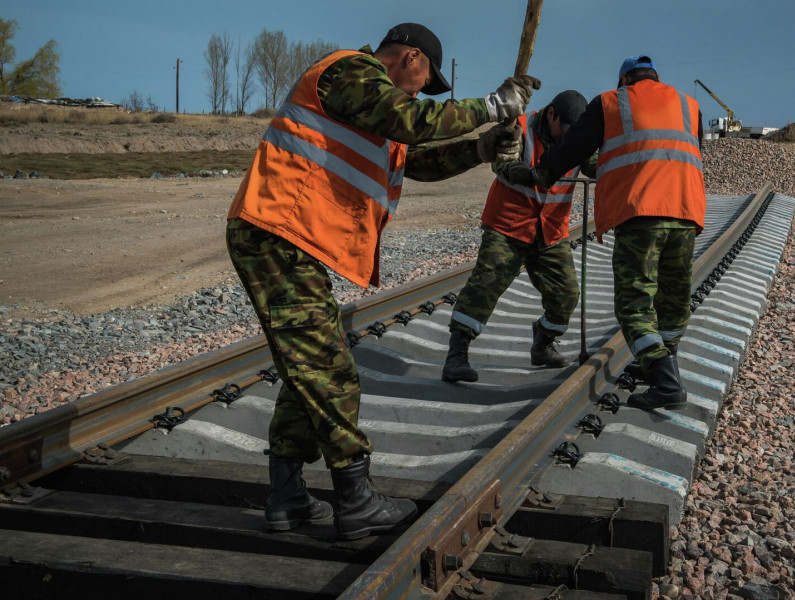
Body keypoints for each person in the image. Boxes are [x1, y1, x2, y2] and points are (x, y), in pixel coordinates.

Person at [225, 22, 540, 540]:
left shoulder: (376, 108)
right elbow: (410, 120)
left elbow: (414, 158)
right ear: (411, 58)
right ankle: (355, 499)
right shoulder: (351, 72)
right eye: (423, 81)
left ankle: (287, 497)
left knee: (308, 372)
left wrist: (480, 150)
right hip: (274, 230)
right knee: (332, 371)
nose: (419, 92)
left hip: (287, 238)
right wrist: (492, 106)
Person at [503, 55, 705, 411]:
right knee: (673, 299)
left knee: (634, 305)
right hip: (687, 211)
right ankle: (660, 362)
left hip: (640, 210)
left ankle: (666, 381)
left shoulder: (613, 101)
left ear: (624, 78)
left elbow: (574, 148)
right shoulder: (689, 105)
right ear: (656, 77)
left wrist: (543, 173)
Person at [442, 90, 597, 383]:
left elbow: (596, 166)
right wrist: (527, 174)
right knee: (485, 285)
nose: (565, 137)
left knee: (566, 294)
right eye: (561, 129)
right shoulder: (520, 127)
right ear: (551, 114)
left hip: (550, 231)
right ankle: (456, 356)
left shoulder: (578, 138)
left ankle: (543, 341)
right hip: (508, 226)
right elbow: (501, 162)